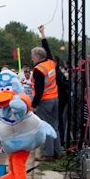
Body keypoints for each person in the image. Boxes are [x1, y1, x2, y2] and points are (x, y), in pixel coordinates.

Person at [31, 25, 61, 161]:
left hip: (45, 101)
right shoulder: (50, 62)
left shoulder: (38, 69)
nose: (31, 58)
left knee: (46, 127)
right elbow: (47, 49)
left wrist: (33, 105)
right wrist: (43, 35)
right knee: (55, 126)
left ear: (37, 56)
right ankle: (57, 152)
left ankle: (48, 154)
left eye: (32, 56)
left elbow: (39, 90)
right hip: (55, 98)